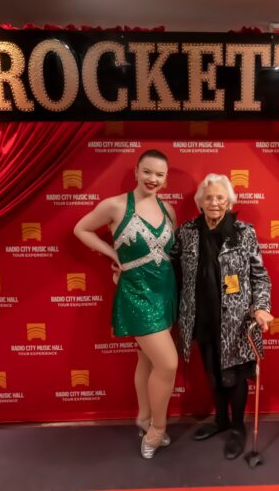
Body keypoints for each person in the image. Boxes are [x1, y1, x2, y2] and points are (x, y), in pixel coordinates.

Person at [73, 149, 178, 459]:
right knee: (168, 364)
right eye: (148, 172)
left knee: (147, 361)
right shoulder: (116, 206)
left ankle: (144, 418)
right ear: (136, 171)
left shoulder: (169, 209)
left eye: (160, 175)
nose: (153, 179)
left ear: (165, 178)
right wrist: (112, 254)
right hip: (136, 293)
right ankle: (158, 429)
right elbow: (80, 229)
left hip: (166, 292)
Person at [173, 173, 274, 460]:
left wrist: (262, 306)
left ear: (229, 201)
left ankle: (238, 428)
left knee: (234, 378)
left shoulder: (244, 232)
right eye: (209, 197)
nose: (214, 202)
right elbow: (169, 266)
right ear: (200, 203)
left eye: (220, 197)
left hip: (237, 321)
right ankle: (220, 421)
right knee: (213, 375)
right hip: (201, 318)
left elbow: (260, 276)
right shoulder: (187, 232)